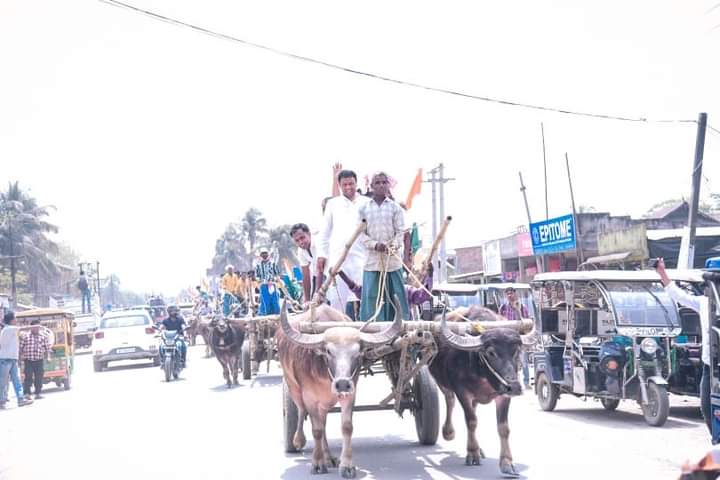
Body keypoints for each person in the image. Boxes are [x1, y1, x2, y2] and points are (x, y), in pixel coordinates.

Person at [656, 258, 712, 436]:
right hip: (710, 366)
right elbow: (678, 295)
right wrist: (662, 272)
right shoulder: (703, 302)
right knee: (706, 406)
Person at [317, 170, 370, 318]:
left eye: (351, 183)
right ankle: (338, 333)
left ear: (356, 183)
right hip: (338, 259)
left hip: (363, 258)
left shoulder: (366, 203)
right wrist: (321, 255)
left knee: (366, 298)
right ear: (339, 185)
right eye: (344, 184)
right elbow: (324, 232)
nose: (348, 187)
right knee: (337, 301)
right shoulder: (333, 204)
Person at [358, 172, 410, 322]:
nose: (381, 185)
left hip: (392, 261)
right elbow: (360, 234)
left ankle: (401, 327)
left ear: (388, 185)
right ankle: (372, 329)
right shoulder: (363, 209)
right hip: (372, 262)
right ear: (372, 186)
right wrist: (375, 245)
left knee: (397, 295)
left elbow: (401, 231)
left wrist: (392, 245)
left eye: (384, 182)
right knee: (372, 297)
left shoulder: (396, 208)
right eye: (378, 182)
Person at [499, 287, 531, 389]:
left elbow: (527, 323)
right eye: (507, 294)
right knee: (509, 362)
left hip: (519, 338)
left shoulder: (522, 307)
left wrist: (518, 311)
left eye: (511, 293)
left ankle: (526, 382)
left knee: (523, 360)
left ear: (515, 294)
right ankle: (510, 382)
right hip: (507, 339)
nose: (509, 295)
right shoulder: (503, 308)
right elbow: (499, 322)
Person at [0, 311, 33, 409]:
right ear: (11, 320)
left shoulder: (10, 329)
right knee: (3, 382)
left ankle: (20, 399)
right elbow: (23, 328)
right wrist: (36, 326)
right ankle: (2, 400)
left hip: (12, 360)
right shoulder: (9, 329)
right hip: (5, 360)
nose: (16, 320)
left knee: (16, 380)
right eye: (15, 318)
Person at [19, 319, 51, 399]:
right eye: (35, 327)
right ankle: (27, 393)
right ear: (31, 327)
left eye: (38, 327)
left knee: (39, 377)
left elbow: (47, 349)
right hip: (28, 360)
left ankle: (38, 393)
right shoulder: (25, 336)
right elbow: (21, 348)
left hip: (39, 360)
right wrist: (19, 359)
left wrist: (48, 357)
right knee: (28, 377)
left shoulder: (43, 336)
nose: (36, 329)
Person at [291, 223, 323, 302]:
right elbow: (305, 275)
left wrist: (318, 293)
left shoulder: (319, 243)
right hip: (317, 275)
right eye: (297, 241)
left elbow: (320, 269)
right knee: (311, 303)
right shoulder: (301, 251)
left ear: (309, 234)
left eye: (302, 238)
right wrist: (307, 300)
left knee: (323, 301)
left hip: (328, 273)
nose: (300, 242)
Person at [255, 247, 281, 315]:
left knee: (275, 301)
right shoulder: (258, 265)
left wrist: (275, 279)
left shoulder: (273, 264)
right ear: (260, 255)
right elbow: (257, 276)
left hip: (272, 285)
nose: (264, 255)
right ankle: (267, 316)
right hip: (263, 286)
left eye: (265, 253)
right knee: (266, 301)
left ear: (268, 254)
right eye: (262, 254)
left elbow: (277, 274)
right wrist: (260, 281)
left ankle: (277, 315)